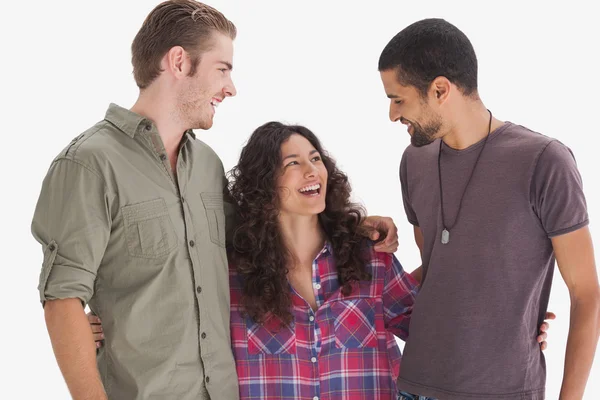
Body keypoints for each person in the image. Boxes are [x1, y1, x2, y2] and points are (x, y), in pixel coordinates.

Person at [31, 2, 398, 399]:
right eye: (222, 69)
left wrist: (347, 226)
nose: (230, 87)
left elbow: (260, 231)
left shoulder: (205, 165)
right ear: (178, 62)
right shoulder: (89, 164)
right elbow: (63, 299)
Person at [88, 121, 552, 400]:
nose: (312, 171)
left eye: (315, 158)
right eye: (292, 164)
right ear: (262, 184)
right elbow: (174, 330)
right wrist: (107, 326)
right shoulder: (228, 277)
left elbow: (438, 328)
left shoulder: (369, 260)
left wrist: (511, 320)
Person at [378, 18, 600, 400]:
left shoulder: (544, 161)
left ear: (440, 89)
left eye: (398, 99)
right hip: (414, 386)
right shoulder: (413, 162)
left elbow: (586, 293)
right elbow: (438, 270)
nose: (393, 115)